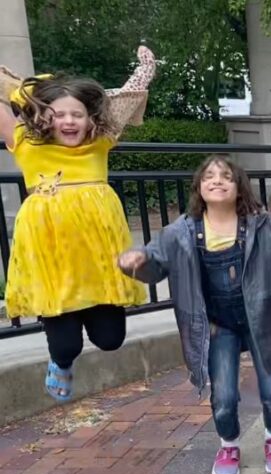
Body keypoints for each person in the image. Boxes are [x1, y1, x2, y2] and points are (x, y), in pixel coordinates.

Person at [118, 155, 271, 474]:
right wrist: (137, 261)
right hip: (215, 324)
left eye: (226, 176)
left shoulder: (260, 224)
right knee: (223, 395)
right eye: (209, 176)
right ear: (199, 187)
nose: (217, 180)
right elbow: (155, 263)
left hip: (260, 319)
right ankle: (228, 444)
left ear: (239, 187)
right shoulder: (180, 232)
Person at [0, 47, 156, 401]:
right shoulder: (25, 142)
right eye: (59, 115)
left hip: (98, 261)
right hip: (53, 260)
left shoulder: (100, 142)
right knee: (67, 344)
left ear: (90, 120)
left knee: (110, 339)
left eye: (77, 114)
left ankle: (87, 310)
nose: (69, 122)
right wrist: (29, 89)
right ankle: (60, 360)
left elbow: (128, 98)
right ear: (42, 117)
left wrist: (147, 67)